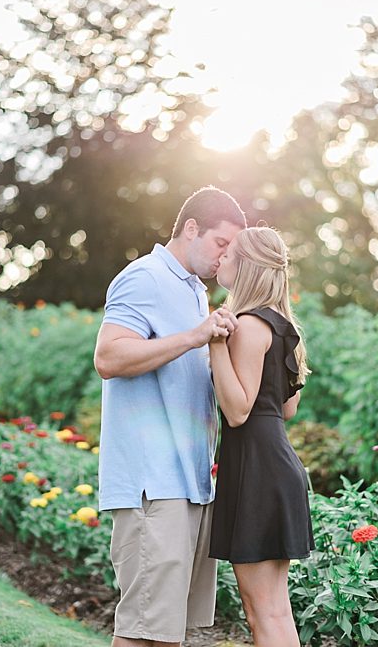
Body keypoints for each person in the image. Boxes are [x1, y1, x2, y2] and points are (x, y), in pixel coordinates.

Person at [94, 186, 246, 647]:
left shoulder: (195, 292)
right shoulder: (144, 277)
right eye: (221, 244)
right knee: (141, 634)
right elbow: (109, 357)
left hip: (188, 486)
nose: (225, 258)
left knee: (167, 635)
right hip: (151, 485)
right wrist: (195, 337)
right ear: (191, 229)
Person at [208, 226, 313, 647]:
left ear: (247, 266)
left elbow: (237, 411)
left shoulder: (249, 326)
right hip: (275, 464)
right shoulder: (281, 323)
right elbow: (286, 408)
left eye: (229, 254)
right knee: (274, 610)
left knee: (262, 613)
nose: (220, 260)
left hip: (256, 471)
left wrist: (214, 342)